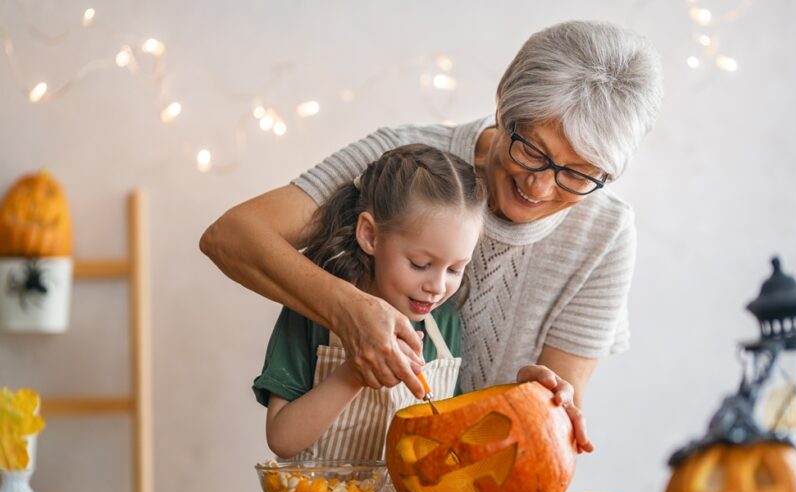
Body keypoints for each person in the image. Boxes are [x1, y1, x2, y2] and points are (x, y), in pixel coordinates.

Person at [201, 20, 664, 453]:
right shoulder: (406, 165)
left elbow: (551, 436)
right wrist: (349, 312)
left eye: (578, 175)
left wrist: (537, 399)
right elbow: (232, 236)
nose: (540, 187)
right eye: (533, 151)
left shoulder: (606, 235)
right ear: (505, 107)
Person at [251, 144, 485, 492]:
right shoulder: (312, 314)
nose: (437, 286)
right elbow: (282, 440)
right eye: (421, 263)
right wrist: (354, 372)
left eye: (455, 269)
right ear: (370, 236)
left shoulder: (445, 325)